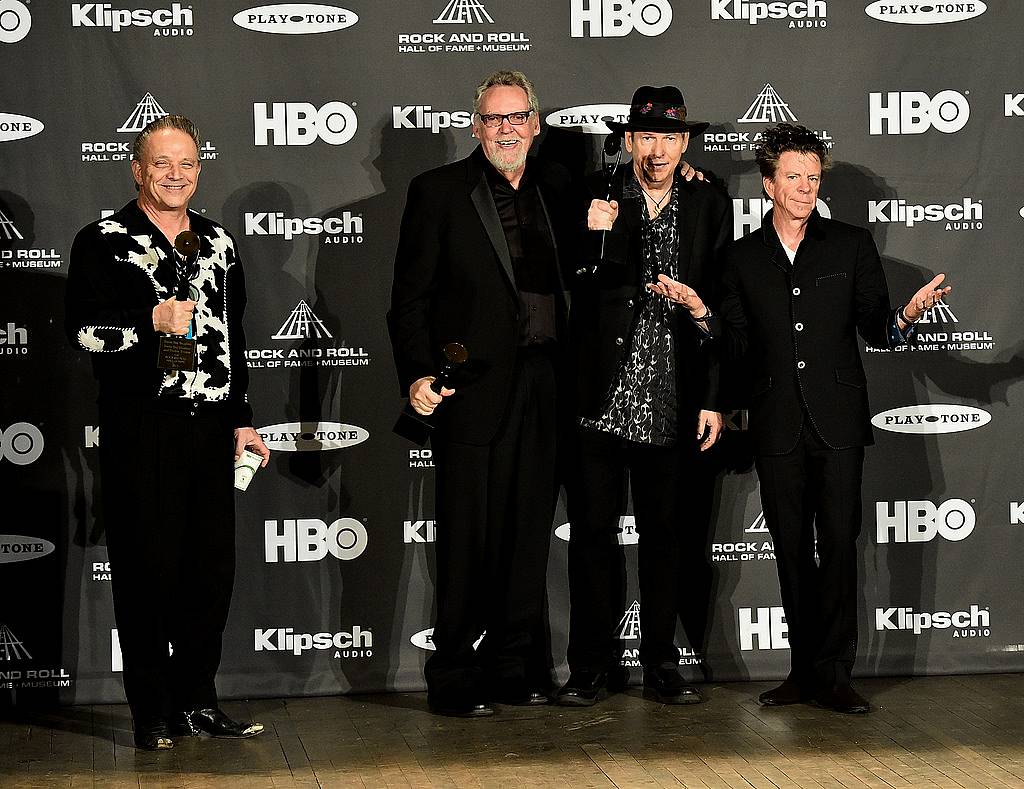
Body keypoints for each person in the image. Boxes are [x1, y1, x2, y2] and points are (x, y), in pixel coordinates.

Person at [719, 123, 950, 714]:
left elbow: (876, 327)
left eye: (813, 178)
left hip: (839, 422)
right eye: (792, 177)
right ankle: (801, 672)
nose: (804, 188)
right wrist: (702, 318)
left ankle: (836, 674)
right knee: (790, 549)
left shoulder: (850, 244)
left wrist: (907, 315)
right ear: (769, 184)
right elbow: (737, 345)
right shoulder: (741, 257)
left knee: (841, 547)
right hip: (776, 422)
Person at [65, 115, 270, 749]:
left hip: (209, 431)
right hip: (141, 429)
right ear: (137, 168)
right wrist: (148, 320)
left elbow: (233, 341)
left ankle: (198, 703)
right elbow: (83, 332)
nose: (176, 175)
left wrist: (242, 419)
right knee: (145, 573)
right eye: (162, 164)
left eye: (186, 163)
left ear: (199, 170)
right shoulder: (101, 240)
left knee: (210, 574)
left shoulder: (218, 243)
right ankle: (151, 711)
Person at [387, 70, 575, 717]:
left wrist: (686, 178)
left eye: (517, 116)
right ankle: (455, 675)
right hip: (470, 390)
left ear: (536, 123)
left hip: (547, 386)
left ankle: (514, 667)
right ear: (475, 127)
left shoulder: (559, 189)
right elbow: (408, 300)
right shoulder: (437, 192)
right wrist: (416, 373)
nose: (506, 129)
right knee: (467, 540)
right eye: (494, 119)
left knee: (528, 538)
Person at [558, 85, 732, 707]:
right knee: (591, 538)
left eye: (669, 137)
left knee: (666, 538)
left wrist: (712, 396)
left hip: (672, 395)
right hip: (598, 397)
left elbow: (718, 301)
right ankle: (590, 667)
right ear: (628, 139)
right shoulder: (594, 192)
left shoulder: (710, 201)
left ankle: (662, 663)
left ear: (685, 142)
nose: (656, 149)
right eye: (646, 136)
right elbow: (566, 282)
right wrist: (590, 236)